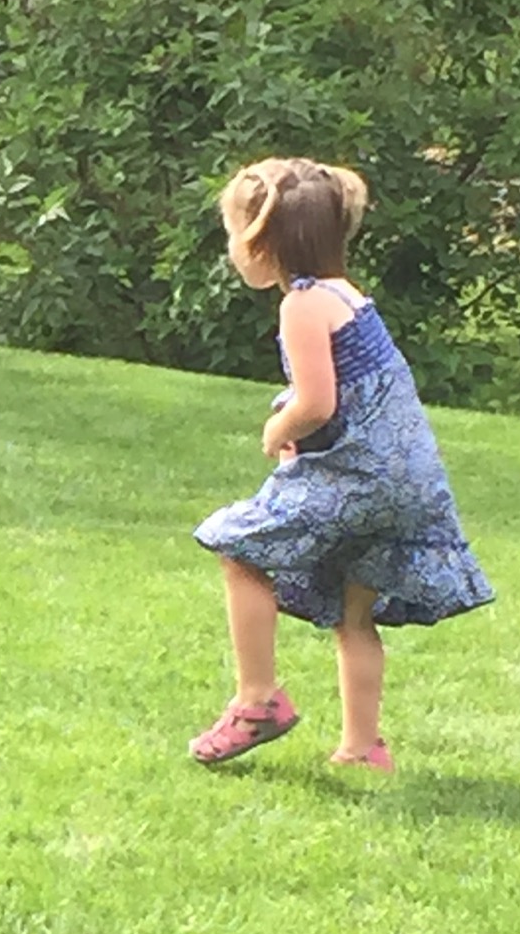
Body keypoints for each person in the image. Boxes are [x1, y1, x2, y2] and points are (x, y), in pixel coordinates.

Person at [189, 157, 492, 773]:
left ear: (264, 243)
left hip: (361, 478)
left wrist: (280, 427)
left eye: (234, 234)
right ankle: (362, 749)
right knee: (355, 613)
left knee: (238, 548)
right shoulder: (347, 295)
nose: (231, 248)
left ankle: (257, 700)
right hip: (408, 483)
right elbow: (354, 392)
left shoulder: (301, 305)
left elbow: (318, 402)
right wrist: (302, 418)